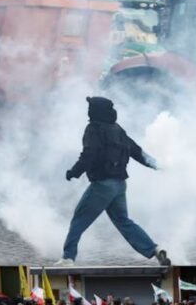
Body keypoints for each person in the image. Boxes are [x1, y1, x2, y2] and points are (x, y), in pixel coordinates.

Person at [56, 96, 169, 266]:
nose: (88, 111)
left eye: (90, 107)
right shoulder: (118, 129)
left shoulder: (93, 129)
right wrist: (157, 165)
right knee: (124, 221)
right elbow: (137, 152)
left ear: (95, 110)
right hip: (120, 185)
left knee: (79, 220)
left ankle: (68, 258)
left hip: (102, 186)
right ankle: (155, 250)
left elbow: (89, 154)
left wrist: (74, 172)